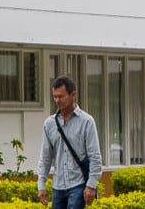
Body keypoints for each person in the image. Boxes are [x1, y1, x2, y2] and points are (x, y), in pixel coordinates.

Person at [37, 77, 104, 209]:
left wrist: (91, 185)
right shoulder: (49, 124)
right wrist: (41, 184)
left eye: (61, 96)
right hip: (58, 186)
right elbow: (45, 157)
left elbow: (95, 157)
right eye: (54, 97)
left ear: (73, 94)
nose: (57, 100)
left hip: (78, 185)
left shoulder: (87, 122)